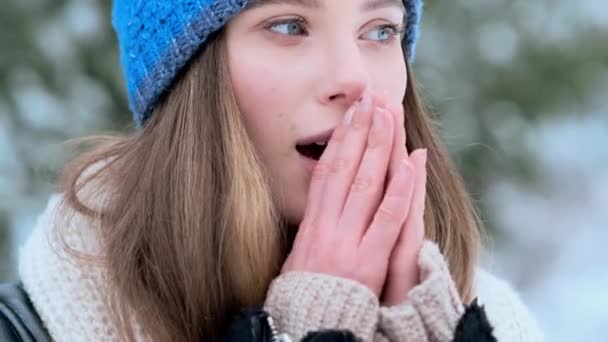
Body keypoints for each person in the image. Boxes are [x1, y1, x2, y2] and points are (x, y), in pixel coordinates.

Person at [0, 0, 544, 341]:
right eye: (289, 25)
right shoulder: (29, 329)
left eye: (380, 30)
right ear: (189, 72)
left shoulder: (491, 319)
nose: (355, 78)